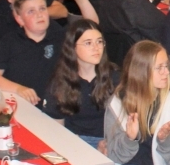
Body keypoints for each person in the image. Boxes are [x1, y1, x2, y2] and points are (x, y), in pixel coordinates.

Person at [44, 18, 116, 148]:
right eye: (88, 43)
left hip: (110, 142)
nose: (96, 48)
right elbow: (57, 127)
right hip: (75, 141)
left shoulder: (116, 77)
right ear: (72, 47)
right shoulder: (60, 82)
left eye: (99, 42)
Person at [0, 0, 66, 103]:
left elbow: (93, 27)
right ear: (20, 20)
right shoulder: (9, 41)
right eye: (31, 11)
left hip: (55, 105)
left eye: (42, 8)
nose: (39, 14)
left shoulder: (61, 36)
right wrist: (18, 89)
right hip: (21, 102)